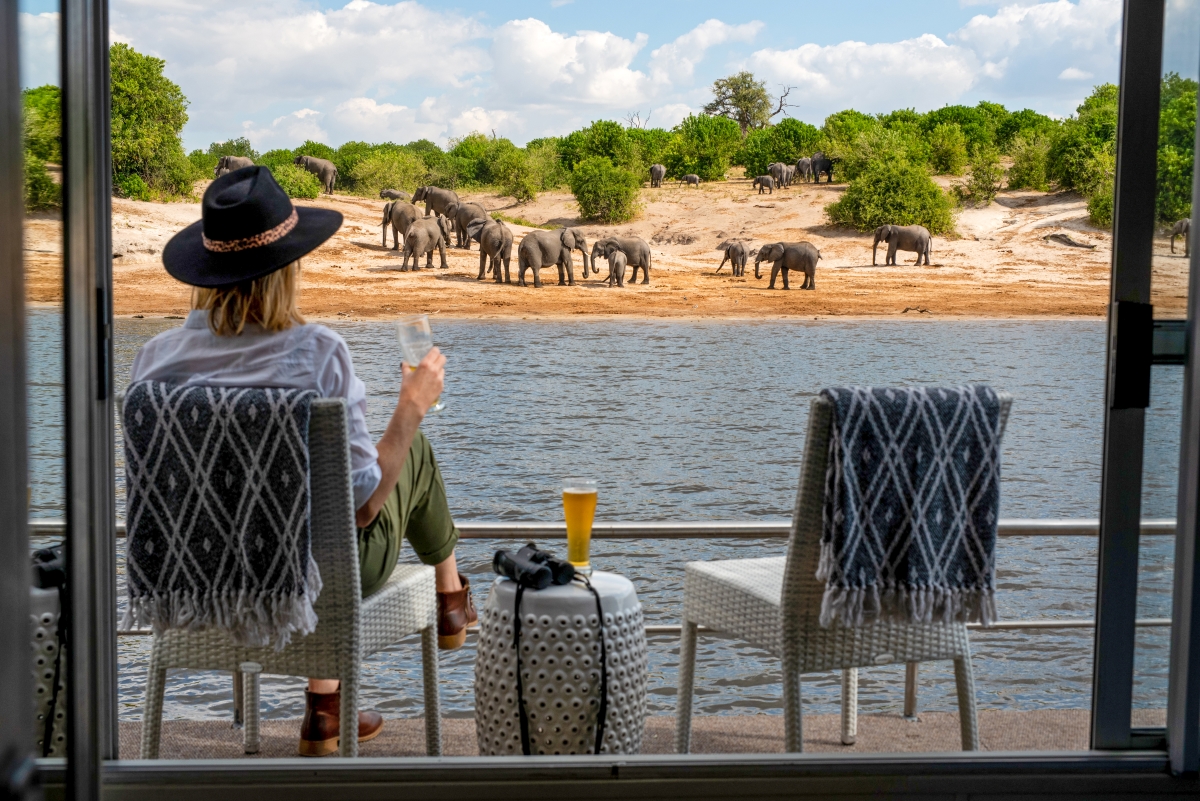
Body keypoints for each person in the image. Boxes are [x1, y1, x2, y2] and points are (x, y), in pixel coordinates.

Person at [130, 166, 476, 757]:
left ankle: (331, 702)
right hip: (306, 585)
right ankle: (448, 598)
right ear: (289, 267)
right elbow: (364, 509)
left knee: (304, 505)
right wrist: (411, 408)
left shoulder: (154, 360)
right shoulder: (318, 354)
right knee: (408, 445)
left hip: (193, 580)